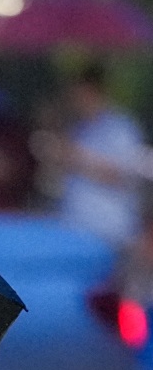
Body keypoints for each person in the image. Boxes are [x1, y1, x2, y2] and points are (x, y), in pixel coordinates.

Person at [51, 62, 145, 249]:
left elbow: (123, 175)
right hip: (76, 229)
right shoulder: (78, 130)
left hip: (111, 231)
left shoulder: (120, 128)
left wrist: (75, 157)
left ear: (92, 91)